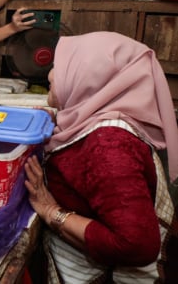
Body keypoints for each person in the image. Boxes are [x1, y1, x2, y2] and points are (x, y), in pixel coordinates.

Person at [23, 31, 178, 283]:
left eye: (61, 67)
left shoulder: (109, 146)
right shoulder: (100, 118)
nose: (51, 75)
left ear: (91, 80)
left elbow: (136, 245)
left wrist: (52, 211)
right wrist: (55, 124)